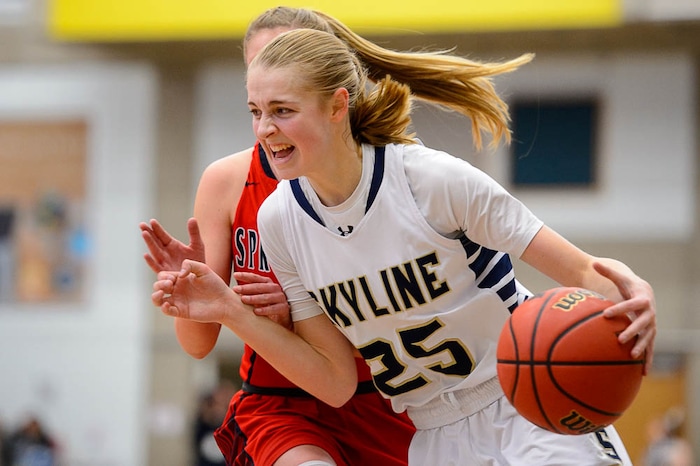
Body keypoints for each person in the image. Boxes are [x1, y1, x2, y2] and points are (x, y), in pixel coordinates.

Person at [152, 25, 657, 465]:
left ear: (336, 106)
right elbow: (333, 382)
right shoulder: (280, 220)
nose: (265, 129)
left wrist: (632, 291)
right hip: (433, 433)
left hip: (522, 401)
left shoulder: (430, 180)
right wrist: (230, 312)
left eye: (282, 111)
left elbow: (584, 270)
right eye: (256, 111)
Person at [141, 7, 415, 466]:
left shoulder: (388, 170)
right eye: (260, 67)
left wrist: (303, 310)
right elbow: (197, 344)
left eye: (291, 57)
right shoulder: (228, 180)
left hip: (382, 396)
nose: (274, 75)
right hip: (279, 404)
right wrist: (190, 292)